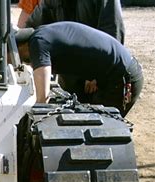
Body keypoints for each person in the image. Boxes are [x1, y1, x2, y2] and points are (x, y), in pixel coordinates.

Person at [15, 22, 143, 117]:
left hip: (122, 75)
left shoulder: (38, 42)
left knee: (106, 129)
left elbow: (42, 100)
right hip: (112, 72)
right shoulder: (41, 35)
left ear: (19, 47)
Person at [25, 0, 125, 44]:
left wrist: (98, 73)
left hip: (102, 74)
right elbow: (33, 26)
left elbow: (112, 32)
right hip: (71, 74)